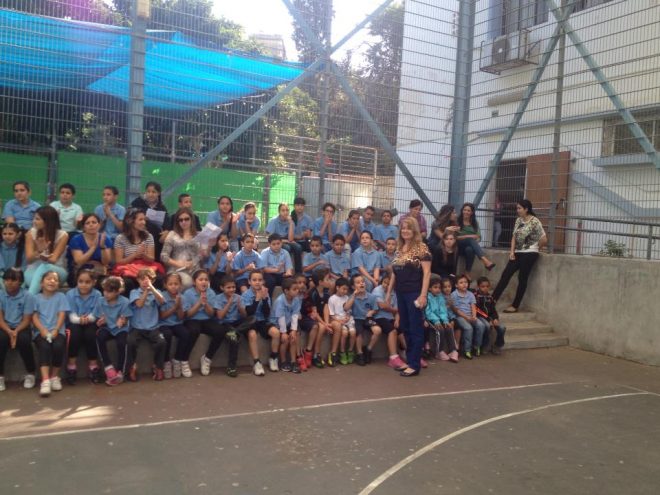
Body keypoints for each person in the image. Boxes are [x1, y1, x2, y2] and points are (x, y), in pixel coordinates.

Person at [388, 216, 431, 377]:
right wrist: (388, 293)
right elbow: (394, 273)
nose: (405, 231)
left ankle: (414, 364)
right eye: (403, 228)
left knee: (415, 328)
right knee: (405, 327)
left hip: (414, 293)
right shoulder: (400, 248)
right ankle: (410, 359)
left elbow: (427, 273)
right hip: (400, 293)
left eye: (408, 228)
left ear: (414, 230)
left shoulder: (422, 248)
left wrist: (423, 295)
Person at [492, 199, 547, 313]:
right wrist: (512, 252)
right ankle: (492, 300)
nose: (517, 210)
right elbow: (514, 237)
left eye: (519, 208)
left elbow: (544, 239)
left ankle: (515, 305)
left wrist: (535, 248)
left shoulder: (535, 221)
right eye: (517, 208)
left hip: (530, 254)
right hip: (517, 252)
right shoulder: (518, 220)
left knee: (522, 278)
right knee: (505, 275)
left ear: (526, 209)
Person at [183, 269, 228, 376]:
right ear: (194, 282)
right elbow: (188, 314)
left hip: (206, 319)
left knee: (220, 331)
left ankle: (207, 358)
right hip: (192, 319)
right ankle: (184, 360)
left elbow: (211, 314)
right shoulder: (188, 293)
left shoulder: (211, 293)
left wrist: (206, 303)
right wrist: (199, 303)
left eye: (206, 280)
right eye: (201, 279)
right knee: (193, 331)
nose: (204, 282)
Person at [32, 271, 70, 397]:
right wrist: (42, 330)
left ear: (58, 284)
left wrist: (56, 329)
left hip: (57, 330)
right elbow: (34, 316)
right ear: (41, 283)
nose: (52, 281)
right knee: (44, 347)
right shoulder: (36, 298)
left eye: (55, 279)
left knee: (59, 346)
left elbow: (62, 314)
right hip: (41, 331)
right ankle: (45, 380)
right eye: (48, 279)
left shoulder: (61, 297)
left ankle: (54, 377)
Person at [0, 268, 37, 392]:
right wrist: (9, 331)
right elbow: (0, 319)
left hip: (21, 326)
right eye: (7, 279)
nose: (9, 282)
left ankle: (31, 373)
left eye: (13, 280)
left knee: (24, 341)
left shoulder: (28, 296)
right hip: (4, 326)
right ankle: (0, 376)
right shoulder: (1, 295)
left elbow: (26, 320)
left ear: (20, 282)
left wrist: (15, 332)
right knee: (1, 340)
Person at [65, 269, 103, 385]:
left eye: (87, 282)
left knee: (90, 335)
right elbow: (71, 315)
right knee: (74, 335)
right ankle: (71, 366)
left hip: (91, 322)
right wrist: (79, 319)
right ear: (76, 281)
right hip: (74, 321)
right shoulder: (70, 294)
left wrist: (88, 319)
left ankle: (93, 366)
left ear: (94, 282)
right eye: (80, 281)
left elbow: (96, 313)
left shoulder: (97, 294)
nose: (83, 285)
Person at [128, 268, 166, 381]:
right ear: (138, 280)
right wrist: (146, 291)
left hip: (153, 327)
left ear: (152, 281)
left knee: (161, 342)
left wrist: (151, 288)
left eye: (148, 279)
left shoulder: (156, 291)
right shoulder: (134, 292)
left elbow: (162, 301)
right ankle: (132, 366)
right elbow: (139, 304)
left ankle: (158, 367)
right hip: (137, 327)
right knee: (130, 342)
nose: (145, 281)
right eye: (142, 279)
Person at [93, 276, 132, 386]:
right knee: (99, 336)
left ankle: (120, 371)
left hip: (120, 329)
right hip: (107, 327)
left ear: (117, 292)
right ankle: (108, 366)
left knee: (122, 343)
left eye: (110, 292)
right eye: (105, 291)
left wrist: (123, 320)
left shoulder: (124, 302)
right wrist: (100, 322)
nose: (106, 294)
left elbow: (126, 317)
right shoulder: (100, 301)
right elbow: (98, 318)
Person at [112, 208, 163, 292]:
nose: (144, 222)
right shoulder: (120, 238)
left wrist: (143, 255)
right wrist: (135, 254)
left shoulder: (148, 236)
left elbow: (151, 259)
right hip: (128, 266)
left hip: (146, 266)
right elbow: (119, 261)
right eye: (140, 220)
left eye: (144, 219)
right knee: (127, 282)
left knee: (159, 279)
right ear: (130, 221)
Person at [242, 271, 280, 375]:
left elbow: (267, 313)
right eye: (254, 280)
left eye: (260, 280)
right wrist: (257, 299)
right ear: (249, 282)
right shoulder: (245, 295)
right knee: (252, 334)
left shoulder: (265, 293)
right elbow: (249, 313)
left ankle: (273, 358)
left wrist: (264, 298)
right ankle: (257, 362)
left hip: (262, 320)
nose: (257, 282)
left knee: (276, 332)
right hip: (251, 321)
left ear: (263, 281)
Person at [23, 206, 69, 294]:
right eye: (34, 218)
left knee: (44, 267)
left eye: (37, 219)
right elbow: (29, 259)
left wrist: (45, 257)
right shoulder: (30, 233)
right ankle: (31, 298)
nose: (34, 221)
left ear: (48, 221)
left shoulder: (63, 235)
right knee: (37, 280)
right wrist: (39, 251)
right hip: (34, 269)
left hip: (57, 271)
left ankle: (29, 299)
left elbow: (53, 260)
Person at [212, 275, 250, 377]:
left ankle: (236, 331)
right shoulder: (218, 298)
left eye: (233, 287)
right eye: (228, 287)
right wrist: (228, 303)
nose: (232, 289)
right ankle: (231, 367)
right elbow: (220, 316)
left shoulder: (239, 297)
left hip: (237, 323)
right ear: (222, 288)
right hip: (225, 323)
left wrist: (240, 308)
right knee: (234, 339)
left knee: (252, 319)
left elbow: (244, 315)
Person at [158, 272, 192, 379]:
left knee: (185, 334)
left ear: (180, 285)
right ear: (165, 285)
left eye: (176, 284)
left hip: (177, 323)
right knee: (167, 335)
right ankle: (166, 361)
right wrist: (174, 307)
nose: (173, 286)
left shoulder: (182, 297)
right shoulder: (162, 296)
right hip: (163, 324)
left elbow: (181, 317)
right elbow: (162, 316)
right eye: (170, 284)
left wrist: (179, 306)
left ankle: (177, 359)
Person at [160, 207, 202, 289]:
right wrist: (178, 263)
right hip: (177, 269)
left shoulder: (198, 235)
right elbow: (163, 256)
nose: (183, 222)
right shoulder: (172, 234)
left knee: (204, 282)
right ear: (177, 222)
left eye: (186, 219)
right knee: (187, 282)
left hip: (195, 269)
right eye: (180, 220)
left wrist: (209, 246)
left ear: (191, 220)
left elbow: (202, 255)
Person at [300, 267, 333, 368]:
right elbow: (314, 312)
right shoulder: (312, 293)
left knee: (329, 325)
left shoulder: (326, 292)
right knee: (321, 327)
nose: (330, 281)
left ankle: (330, 353)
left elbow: (326, 308)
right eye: (327, 279)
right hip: (309, 316)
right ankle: (316, 354)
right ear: (320, 282)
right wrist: (324, 324)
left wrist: (327, 322)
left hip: (320, 317)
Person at [451, 274, 488, 359]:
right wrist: (467, 318)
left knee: (481, 325)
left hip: (470, 315)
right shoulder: (454, 295)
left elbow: (473, 306)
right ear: (456, 285)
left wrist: (474, 316)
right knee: (468, 328)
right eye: (461, 282)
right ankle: (467, 350)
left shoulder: (470, 294)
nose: (464, 284)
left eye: (465, 282)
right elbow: (456, 310)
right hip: (460, 317)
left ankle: (476, 347)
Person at [270, 277, 302, 373]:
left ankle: (293, 361)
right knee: (285, 340)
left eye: (297, 289)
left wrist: (293, 330)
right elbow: (281, 317)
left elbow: (295, 315)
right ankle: (283, 362)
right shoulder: (280, 301)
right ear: (286, 291)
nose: (297, 291)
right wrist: (283, 332)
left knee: (293, 338)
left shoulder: (296, 300)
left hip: (288, 322)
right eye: (294, 289)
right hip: (277, 323)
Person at [456, 202, 496, 280]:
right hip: (459, 245)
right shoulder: (457, 221)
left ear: (471, 212)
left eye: (468, 210)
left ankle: (467, 271)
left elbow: (479, 237)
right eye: (464, 210)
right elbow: (454, 237)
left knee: (470, 249)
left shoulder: (474, 223)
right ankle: (485, 261)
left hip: (468, 246)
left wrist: (474, 241)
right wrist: (468, 236)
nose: (466, 212)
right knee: (470, 240)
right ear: (462, 211)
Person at [131, 181, 169, 260]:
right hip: (139, 231)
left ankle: (155, 260)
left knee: (161, 237)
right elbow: (130, 217)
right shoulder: (137, 203)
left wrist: (166, 231)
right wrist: (142, 217)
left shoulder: (162, 207)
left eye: (153, 192)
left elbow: (167, 223)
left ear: (158, 193)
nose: (150, 194)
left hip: (156, 234)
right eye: (148, 191)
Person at [349, 274, 381, 366]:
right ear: (353, 286)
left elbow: (375, 309)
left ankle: (368, 349)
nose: (361, 284)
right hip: (357, 319)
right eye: (358, 282)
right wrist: (353, 296)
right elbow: (346, 308)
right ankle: (360, 354)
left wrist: (372, 312)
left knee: (377, 330)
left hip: (368, 319)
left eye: (363, 282)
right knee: (359, 333)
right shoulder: (352, 297)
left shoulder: (371, 297)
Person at [373, 273, 404, 369]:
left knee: (401, 330)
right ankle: (393, 357)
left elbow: (398, 310)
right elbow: (382, 306)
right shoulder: (377, 290)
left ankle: (409, 353)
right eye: (384, 282)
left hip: (391, 317)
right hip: (378, 317)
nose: (386, 285)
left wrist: (397, 320)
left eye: (388, 283)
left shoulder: (394, 293)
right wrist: (394, 310)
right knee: (392, 331)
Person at [68, 213, 113, 280]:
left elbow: (106, 262)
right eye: (87, 223)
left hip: (100, 270)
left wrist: (102, 247)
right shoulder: (76, 239)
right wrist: (93, 248)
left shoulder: (105, 239)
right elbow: (79, 262)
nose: (91, 225)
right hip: (80, 269)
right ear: (83, 227)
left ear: (99, 225)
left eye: (94, 222)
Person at [425, 275, 458, 362]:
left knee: (449, 327)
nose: (438, 290)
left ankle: (453, 350)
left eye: (439, 288)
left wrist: (445, 321)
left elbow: (443, 310)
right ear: (429, 288)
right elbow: (428, 312)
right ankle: (439, 352)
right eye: (435, 287)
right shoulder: (427, 297)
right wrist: (436, 321)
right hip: (431, 319)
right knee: (440, 330)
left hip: (440, 319)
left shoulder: (440, 297)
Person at [266, 203, 303, 272]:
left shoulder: (291, 222)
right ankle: (286, 271)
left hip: (287, 240)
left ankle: (298, 272)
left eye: (287, 210)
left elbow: (290, 239)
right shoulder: (273, 221)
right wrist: (285, 241)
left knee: (298, 247)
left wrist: (291, 223)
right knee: (287, 248)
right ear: (279, 212)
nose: (285, 212)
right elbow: (270, 237)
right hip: (276, 242)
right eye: (283, 210)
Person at [327, 277, 355, 366]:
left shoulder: (347, 297)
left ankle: (350, 351)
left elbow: (348, 310)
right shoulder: (332, 299)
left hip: (347, 320)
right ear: (337, 287)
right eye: (343, 289)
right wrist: (339, 320)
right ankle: (342, 352)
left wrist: (348, 316)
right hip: (337, 320)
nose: (345, 291)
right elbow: (331, 315)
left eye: (346, 289)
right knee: (345, 333)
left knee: (353, 332)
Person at [475, 276, 506, 355]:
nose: (485, 288)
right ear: (478, 287)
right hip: (480, 317)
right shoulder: (476, 296)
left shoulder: (490, 297)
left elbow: (493, 310)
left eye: (487, 286)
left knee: (502, 328)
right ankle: (484, 346)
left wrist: (495, 318)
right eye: (483, 286)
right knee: (487, 326)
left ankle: (497, 345)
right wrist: (488, 319)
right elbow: (477, 310)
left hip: (489, 318)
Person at [0, 223, 26, 290]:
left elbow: (23, 267)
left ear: (18, 235)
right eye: (4, 234)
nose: (7, 236)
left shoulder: (22, 248)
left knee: (20, 286)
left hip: (17, 276)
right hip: (1, 276)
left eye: (10, 234)